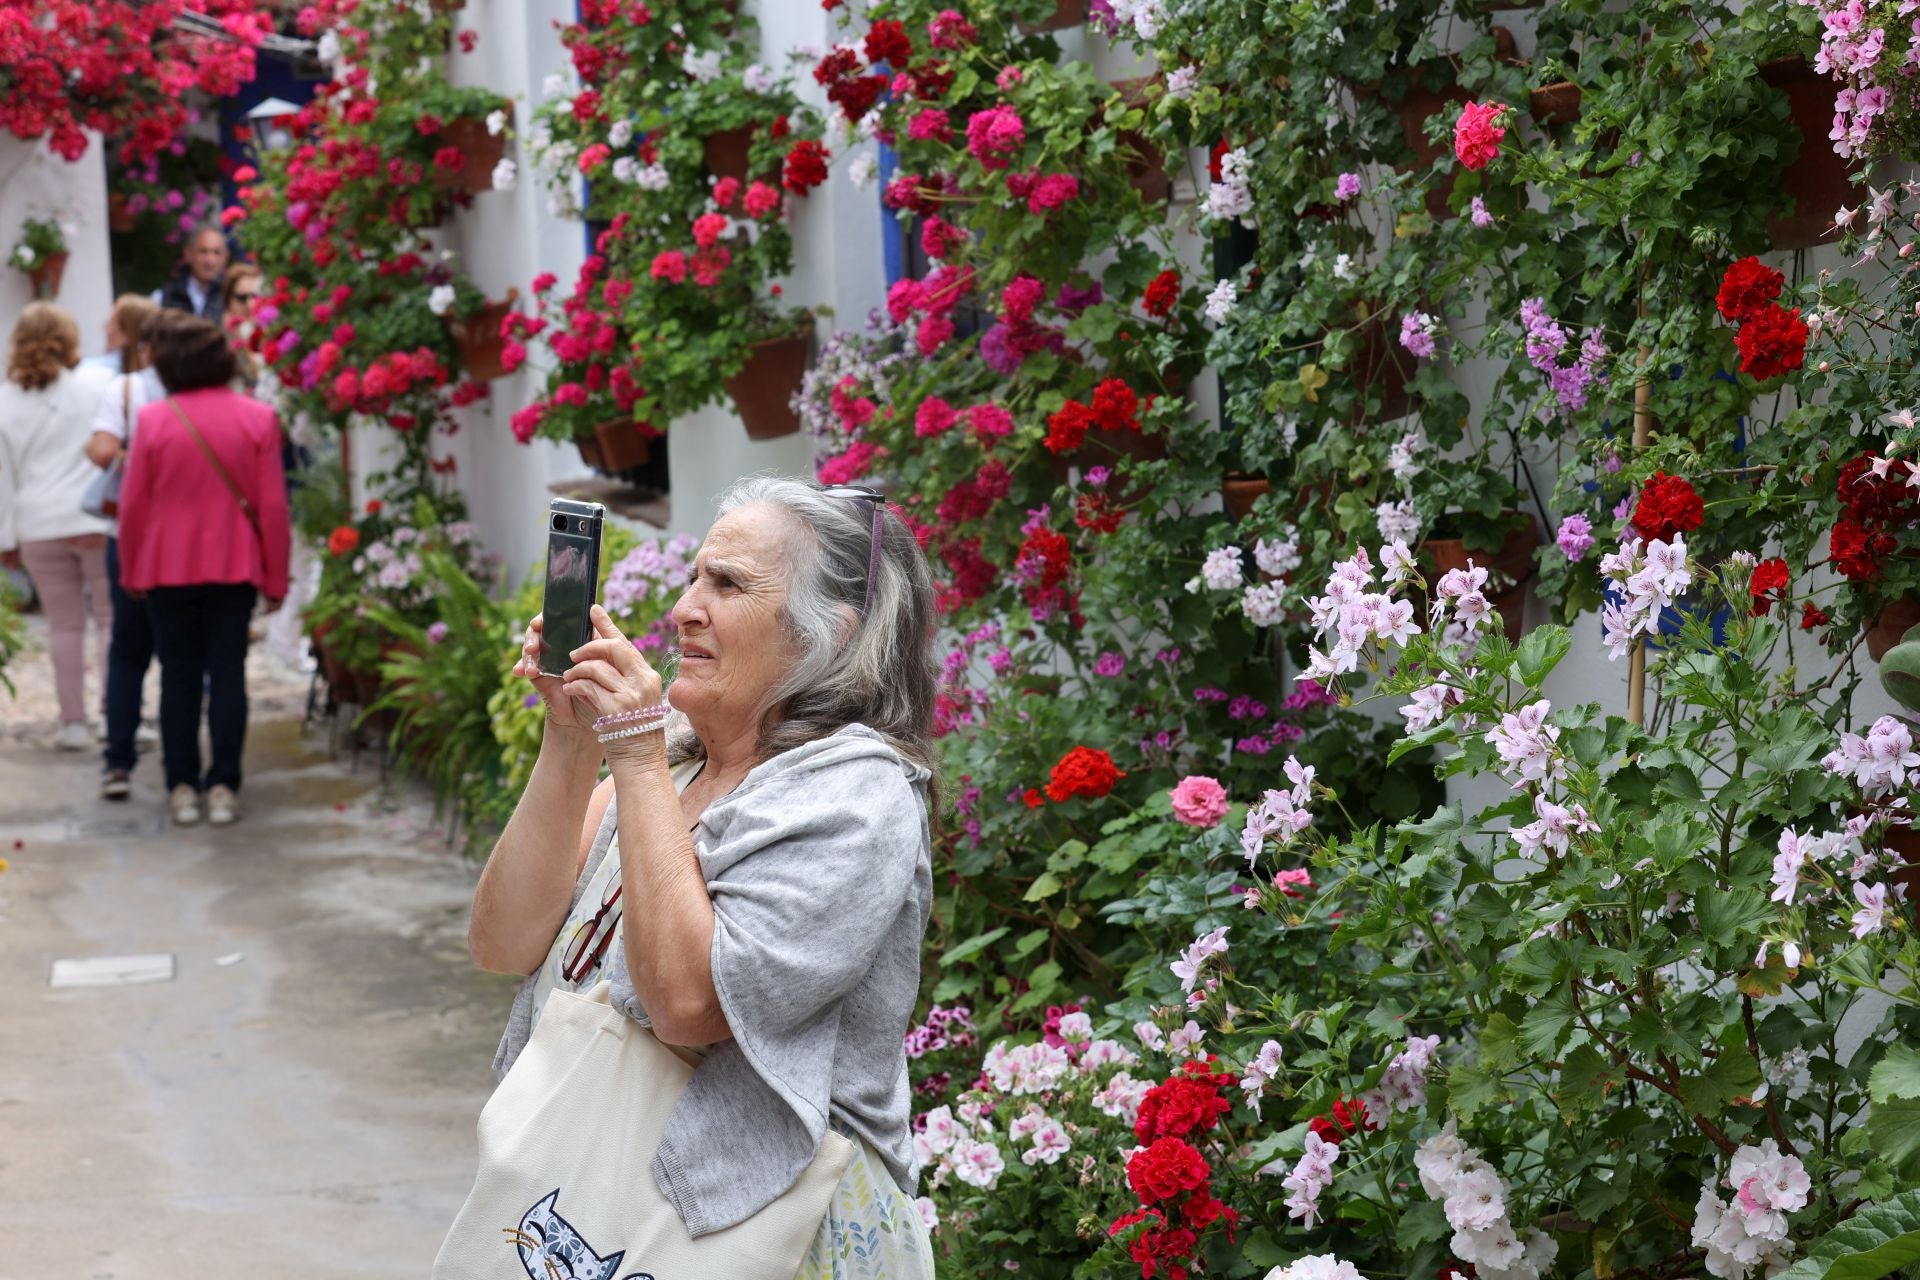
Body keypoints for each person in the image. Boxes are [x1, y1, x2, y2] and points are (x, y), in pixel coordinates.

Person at [466, 477, 938, 1276]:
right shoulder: (680, 757)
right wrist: (575, 740)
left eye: (727, 584)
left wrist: (637, 751)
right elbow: (503, 941)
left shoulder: (857, 797)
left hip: (767, 1234)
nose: (685, 607)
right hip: (597, 1197)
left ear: (827, 632)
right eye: (695, 576)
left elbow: (686, 1003)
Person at [116, 314, 290, 828]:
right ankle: (224, 785)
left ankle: (182, 785)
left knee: (178, 677)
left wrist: (131, 571)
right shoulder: (257, 417)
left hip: (167, 568)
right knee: (229, 673)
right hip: (234, 565)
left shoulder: (153, 420)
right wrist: (276, 579)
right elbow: (274, 509)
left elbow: (133, 509)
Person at [0, 303, 116, 751]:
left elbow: (4, 478)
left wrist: (6, 538)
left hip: (37, 522)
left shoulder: (5, 400)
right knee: (109, 620)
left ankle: (72, 723)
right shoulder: (96, 389)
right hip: (91, 517)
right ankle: (113, 714)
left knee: (64, 626)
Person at [83, 295, 165, 798]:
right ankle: (184, 769)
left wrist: (135, 454)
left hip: (132, 534)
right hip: (177, 536)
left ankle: (119, 761)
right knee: (180, 652)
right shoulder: (180, 389)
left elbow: (99, 449)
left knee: (129, 650)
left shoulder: (127, 390)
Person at [151, 224, 230, 318]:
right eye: (203, 251)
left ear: (225, 257)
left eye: (216, 252)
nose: (210, 260)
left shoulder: (232, 297)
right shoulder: (162, 297)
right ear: (188, 254)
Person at [81, 292, 158, 372]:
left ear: (129, 334)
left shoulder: (98, 371)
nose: (104, 328)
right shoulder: (163, 376)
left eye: (111, 323)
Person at [223, 262, 263, 389]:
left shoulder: (271, 331)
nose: (250, 304)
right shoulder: (220, 338)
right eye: (242, 298)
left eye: (255, 296)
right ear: (229, 300)